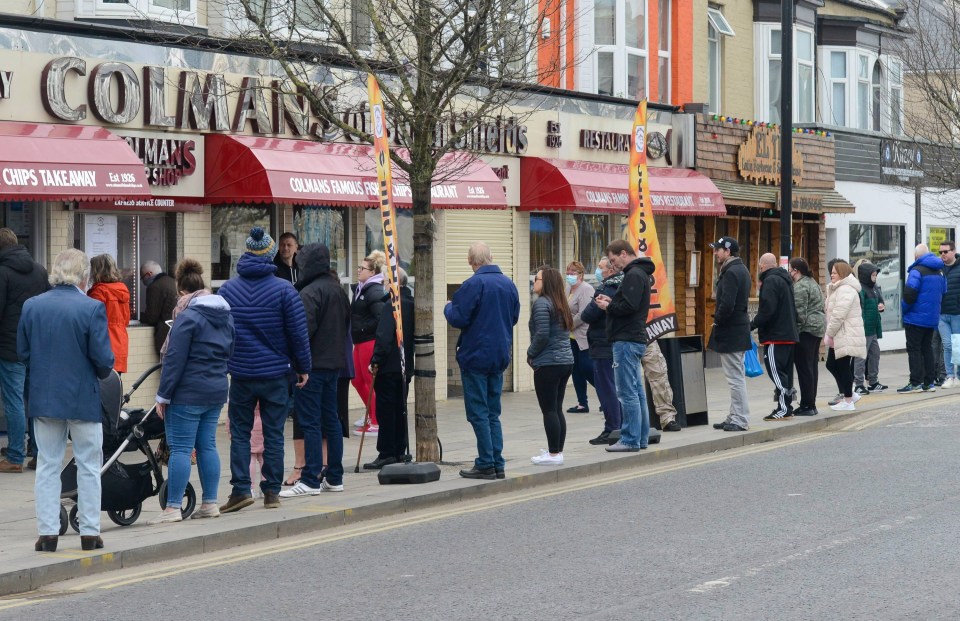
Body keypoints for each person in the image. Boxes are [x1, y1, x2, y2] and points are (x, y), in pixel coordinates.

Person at [18, 249, 114, 552]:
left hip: (45, 399)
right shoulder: (91, 308)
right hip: (82, 399)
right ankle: (89, 533)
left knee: (47, 464)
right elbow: (104, 363)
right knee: (88, 465)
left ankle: (47, 534)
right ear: (83, 276)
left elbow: (23, 353)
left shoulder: (32, 307)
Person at [217, 227, 311, 512]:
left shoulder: (227, 290)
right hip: (275, 373)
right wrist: (303, 367)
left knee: (240, 433)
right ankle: (271, 492)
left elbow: (222, 333)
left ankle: (240, 489)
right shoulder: (284, 290)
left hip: (242, 373)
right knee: (273, 433)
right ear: (271, 255)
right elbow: (298, 333)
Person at [149, 259, 234, 524]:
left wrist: (162, 396)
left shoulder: (187, 318)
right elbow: (231, 351)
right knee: (207, 445)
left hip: (187, 393)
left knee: (181, 449)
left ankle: (173, 507)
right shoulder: (225, 315)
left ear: (182, 291)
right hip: (217, 389)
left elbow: (173, 361)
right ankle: (210, 503)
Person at [444, 242, 520, 480]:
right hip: (499, 354)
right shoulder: (509, 284)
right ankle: (497, 462)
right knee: (492, 412)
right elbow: (514, 317)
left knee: (478, 411)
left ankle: (486, 462)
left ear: (471, 262)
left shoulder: (472, 285)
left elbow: (459, 318)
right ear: (491, 257)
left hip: (475, 355)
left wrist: (448, 307)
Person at [280, 243, 350, 496]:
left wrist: (298, 365)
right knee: (331, 420)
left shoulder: (308, 293)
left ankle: (309, 479)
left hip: (312, 366)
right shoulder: (338, 290)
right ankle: (334, 476)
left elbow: (302, 334)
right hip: (334, 364)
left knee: (309, 421)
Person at [594, 240, 653, 452]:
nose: (613, 265)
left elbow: (629, 306)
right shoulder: (639, 273)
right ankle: (641, 437)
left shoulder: (633, 275)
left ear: (623, 254)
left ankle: (629, 439)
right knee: (637, 392)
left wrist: (608, 306)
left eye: (613, 260)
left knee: (627, 392)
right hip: (633, 339)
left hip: (626, 340)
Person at [0, 228, 48, 474]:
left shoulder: (3, 273)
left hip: (10, 349)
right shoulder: (40, 270)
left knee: (14, 401)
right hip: (37, 346)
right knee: (35, 400)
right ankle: (39, 454)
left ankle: (15, 455)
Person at [364, 267, 416, 470]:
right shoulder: (411, 304)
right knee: (400, 409)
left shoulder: (390, 306)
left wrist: (375, 360)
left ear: (392, 283)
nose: (384, 284)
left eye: (385, 280)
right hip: (404, 368)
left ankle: (386, 453)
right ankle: (399, 450)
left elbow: (384, 337)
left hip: (388, 367)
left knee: (386, 411)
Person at [527, 266, 575, 465]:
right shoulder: (560, 303)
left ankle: (553, 455)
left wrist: (530, 354)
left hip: (549, 363)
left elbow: (541, 335)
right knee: (556, 408)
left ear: (545, 283)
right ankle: (557, 451)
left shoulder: (541, 304)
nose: (534, 282)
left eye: (536, 279)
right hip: (565, 361)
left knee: (549, 410)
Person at [707, 237, 752, 432]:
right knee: (736, 376)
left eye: (718, 250)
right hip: (737, 329)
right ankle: (734, 415)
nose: (715, 253)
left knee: (735, 378)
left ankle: (740, 419)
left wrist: (717, 320)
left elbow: (727, 304)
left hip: (732, 331)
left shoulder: (732, 272)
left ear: (728, 251)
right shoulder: (739, 269)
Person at [750, 253, 799, 421]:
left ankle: (784, 408)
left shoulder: (770, 281)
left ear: (762, 265)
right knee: (783, 373)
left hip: (775, 336)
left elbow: (767, 310)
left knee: (776, 373)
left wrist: (752, 324)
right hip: (788, 334)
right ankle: (785, 407)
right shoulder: (785, 280)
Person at [581, 258, 622, 445]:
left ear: (610, 270)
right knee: (617, 387)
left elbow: (588, 314)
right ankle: (618, 425)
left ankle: (612, 428)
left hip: (602, 343)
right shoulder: (623, 284)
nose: (598, 271)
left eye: (600, 268)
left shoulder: (606, 288)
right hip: (614, 342)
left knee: (606, 389)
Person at [897, 244, 946, 393]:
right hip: (931, 318)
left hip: (915, 318)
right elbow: (944, 292)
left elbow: (909, 294)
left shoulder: (916, 271)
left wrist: (904, 310)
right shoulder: (940, 272)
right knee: (927, 349)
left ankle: (915, 382)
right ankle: (929, 382)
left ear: (917, 257)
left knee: (914, 349)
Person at [351, 251, 387, 436]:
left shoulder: (374, 290)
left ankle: (376, 420)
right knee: (356, 379)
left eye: (362, 268)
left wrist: (363, 329)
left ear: (372, 272)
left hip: (368, 341)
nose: (359, 270)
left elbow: (380, 317)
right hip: (358, 341)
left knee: (368, 380)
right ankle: (371, 413)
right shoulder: (361, 288)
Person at [824, 261, 867, 410]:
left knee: (843, 366)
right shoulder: (837, 288)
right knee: (831, 364)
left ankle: (848, 400)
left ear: (842, 273)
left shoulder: (846, 289)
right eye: (831, 272)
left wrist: (829, 332)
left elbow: (839, 315)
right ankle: (850, 394)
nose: (832, 274)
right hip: (838, 335)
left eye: (834, 272)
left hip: (845, 334)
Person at [789, 258, 825, 416]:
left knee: (804, 368)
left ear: (796, 270)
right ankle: (811, 403)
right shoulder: (812, 282)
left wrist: (792, 332)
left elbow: (799, 314)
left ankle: (807, 405)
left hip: (806, 330)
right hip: (817, 329)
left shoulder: (801, 286)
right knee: (811, 367)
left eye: (790, 269)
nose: (789, 272)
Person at [87, 254, 130, 376]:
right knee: (114, 386)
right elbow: (126, 320)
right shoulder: (123, 289)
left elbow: (91, 321)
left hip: (103, 344)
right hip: (120, 343)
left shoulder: (99, 292)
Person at [564, 261, 595, 414]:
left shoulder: (586, 289)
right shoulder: (568, 288)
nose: (570, 275)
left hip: (583, 336)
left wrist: (569, 323)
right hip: (571, 337)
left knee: (587, 368)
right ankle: (582, 403)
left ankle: (608, 395)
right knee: (575, 370)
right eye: (568, 272)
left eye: (573, 272)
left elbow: (584, 314)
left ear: (581, 275)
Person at [853, 260, 887, 395]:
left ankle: (873, 382)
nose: (875, 278)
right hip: (864, 328)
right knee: (861, 356)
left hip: (873, 327)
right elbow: (859, 308)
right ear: (866, 275)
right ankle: (859, 384)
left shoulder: (874, 288)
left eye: (875, 276)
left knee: (875, 354)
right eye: (873, 275)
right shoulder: (861, 289)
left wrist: (881, 306)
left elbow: (880, 301)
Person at [140, 259, 178, 356]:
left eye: (142, 277)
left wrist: (139, 316)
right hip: (178, 331)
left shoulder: (155, 287)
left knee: (165, 367)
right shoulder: (174, 282)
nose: (143, 281)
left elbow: (151, 317)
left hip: (165, 335)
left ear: (149, 274)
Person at [938, 241, 960, 388]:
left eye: (945, 252)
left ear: (953, 252)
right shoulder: (937, 269)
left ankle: (958, 376)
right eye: (940, 252)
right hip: (941, 314)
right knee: (947, 345)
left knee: (957, 345)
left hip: (957, 313)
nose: (943, 255)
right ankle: (950, 376)